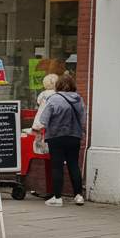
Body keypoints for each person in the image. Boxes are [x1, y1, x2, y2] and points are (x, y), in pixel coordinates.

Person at [35, 72, 87, 206]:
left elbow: (43, 119)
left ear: (58, 85)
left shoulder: (53, 99)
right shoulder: (79, 99)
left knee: (57, 167)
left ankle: (57, 197)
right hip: (74, 136)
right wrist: (82, 132)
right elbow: (83, 119)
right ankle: (79, 195)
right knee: (74, 165)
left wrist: (38, 131)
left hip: (56, 137)